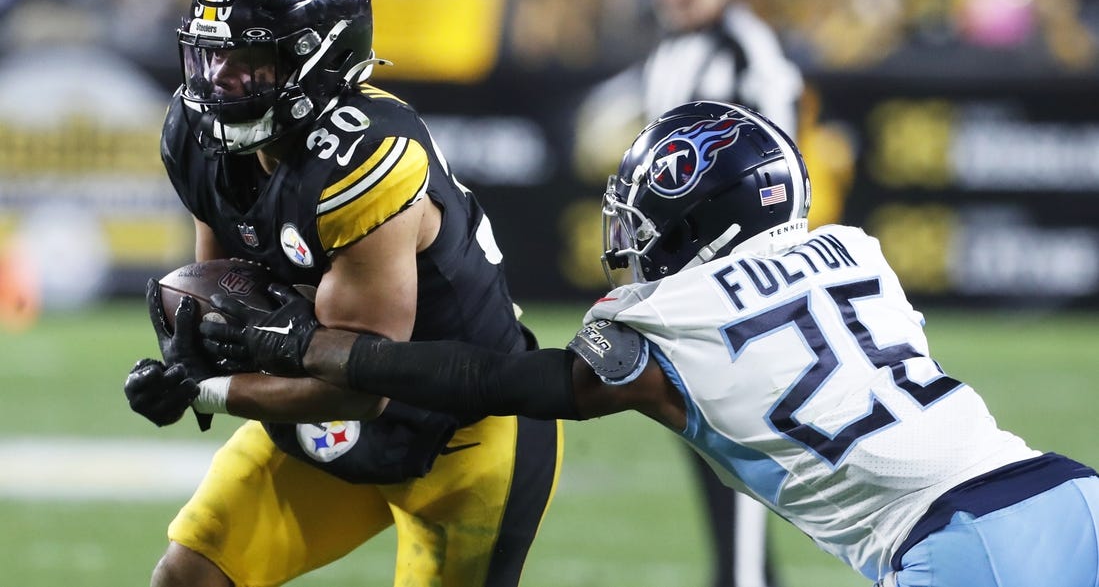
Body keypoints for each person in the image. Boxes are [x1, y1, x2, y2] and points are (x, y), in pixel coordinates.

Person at [203, 101, 1099, 586]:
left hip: (946, 540)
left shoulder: (669, 319)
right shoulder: (854, 250)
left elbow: (504, 377)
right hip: (1067, 491)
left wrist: (317, 349)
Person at [121, 0, 562, 587]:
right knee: (187, 578)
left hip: (462, 439)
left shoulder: (364, 158)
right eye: (210, 58)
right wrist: (188, 360)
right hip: (318, 419)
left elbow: (361, 384)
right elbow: (218, 293)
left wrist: (208, 387)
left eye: (245, 62)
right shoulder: (199, 138)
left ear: (316, 60)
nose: (217, 82)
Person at [576, 0, 804, 586]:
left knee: (737, 462)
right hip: (686, 289)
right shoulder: (670, 51)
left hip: (737, 287)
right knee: (711, 454)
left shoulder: (745, 50)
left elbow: (781, 174)